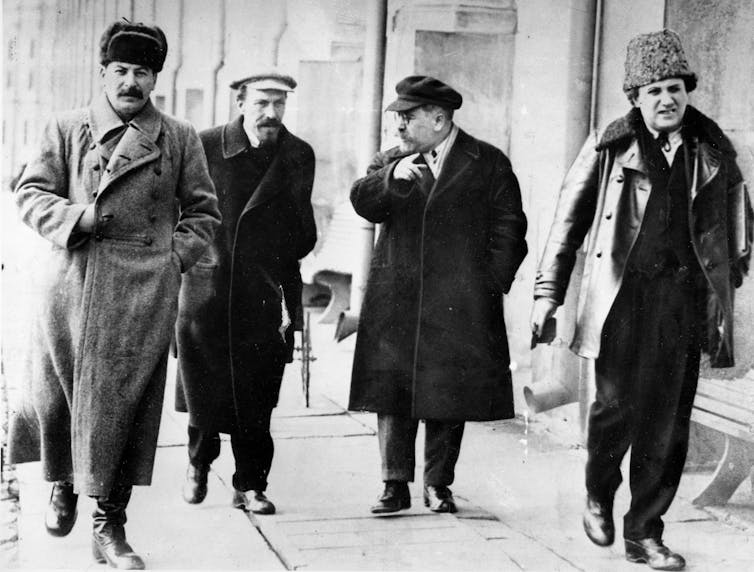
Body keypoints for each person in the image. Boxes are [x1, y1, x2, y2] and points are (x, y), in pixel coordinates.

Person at [531, 30, 751, 571]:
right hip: (619, 304)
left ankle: (645, 533)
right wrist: (546, 296)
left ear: (687, 91)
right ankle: (598, 494)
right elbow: (566, 226)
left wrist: (727, 281)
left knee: (668, 423)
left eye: (674, 88)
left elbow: (740, 228)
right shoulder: (607, 149)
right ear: (635, 98)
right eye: (653, 90)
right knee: (613, 410)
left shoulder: (714, 150)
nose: (666, 99)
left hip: (682, 306)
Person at [8, 20, 221, 570]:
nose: (131, 82)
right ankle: (62, 483)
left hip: (140, 291)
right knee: (63, 393)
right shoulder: (66, 127)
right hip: (73, 282)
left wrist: (172, 261)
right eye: (121, 70)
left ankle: (110, 523)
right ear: (102, 73)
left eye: (142, 73)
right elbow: (31, 192)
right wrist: (76, 217)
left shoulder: (178, 137)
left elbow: (203, 211)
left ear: (155, 80)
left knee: (125, 403)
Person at [348, 76, 528, 515]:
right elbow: (362, 202)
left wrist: (487, 284)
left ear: (439, 118)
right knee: (392, 388)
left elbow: (510, 227)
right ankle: (394, 484)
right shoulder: (393, 159)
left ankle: (438, 484)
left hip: (459, 298)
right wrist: (392, 177)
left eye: (407, 118)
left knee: (449, 390)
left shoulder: (486, 162)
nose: (399, 127)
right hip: (397, 295)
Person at [175, 70, 316, 515]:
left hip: (266, 291)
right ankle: (198, 463)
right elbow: (182, 214)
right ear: (240, 102)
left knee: (258, 393)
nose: (271, 113)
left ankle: (250, 484)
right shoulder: (205, 144)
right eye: (262, 103)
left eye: (279, 103)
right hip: (208, 286)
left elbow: (304, 231)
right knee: (203, 387)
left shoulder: (298, 155)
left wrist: (275, 253)